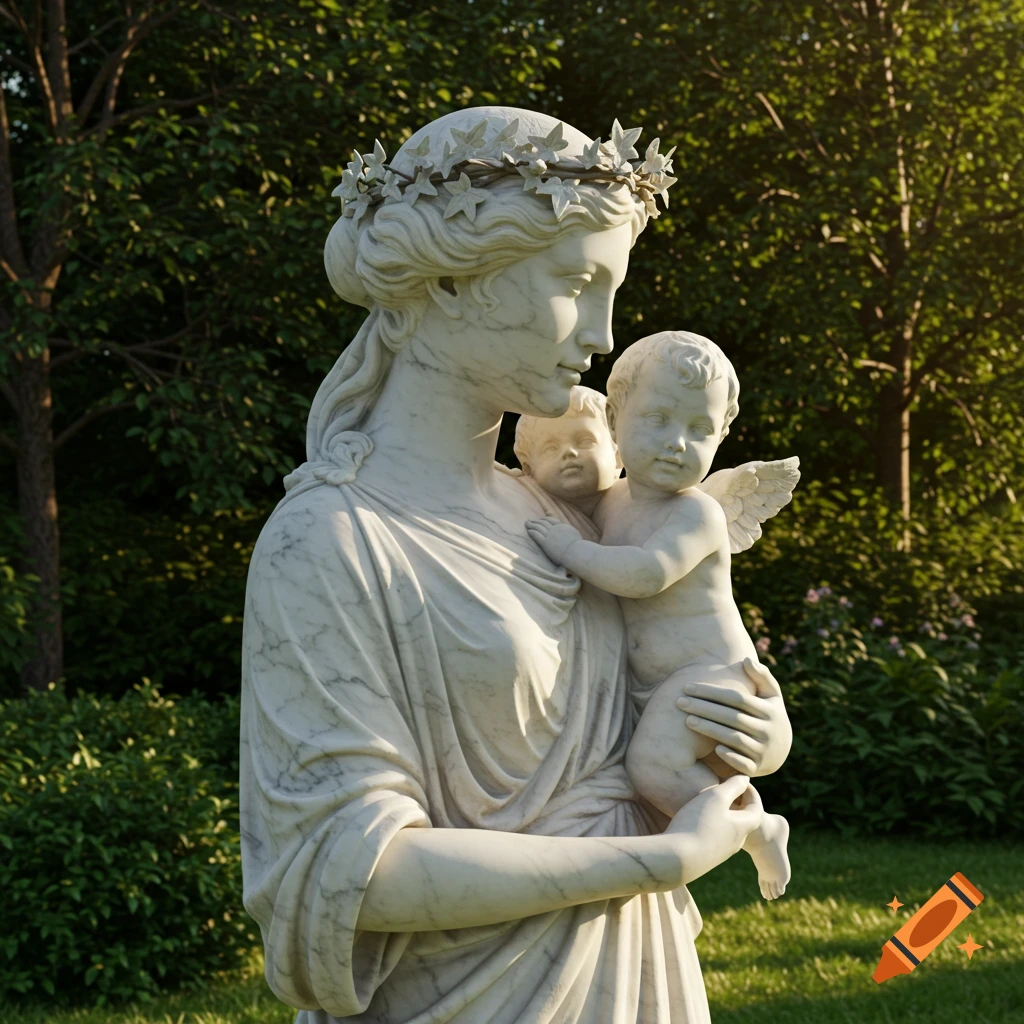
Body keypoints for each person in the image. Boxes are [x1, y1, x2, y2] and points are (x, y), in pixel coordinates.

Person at [240, 107, 793, 1024]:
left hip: (634, 975)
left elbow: (650, 710)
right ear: (453, 281)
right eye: (578, 281)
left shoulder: (560, 514)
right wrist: (659, 860)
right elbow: (351, 870)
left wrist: (738, 724)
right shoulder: (334, 540)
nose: (607, 333)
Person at [526, 332, 798, 900]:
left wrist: (569, 550)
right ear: (617, 418)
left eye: (700, 431)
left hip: (711, 675)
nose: (677, 444)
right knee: (657, 772)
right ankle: (759, 821)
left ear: (722, 438)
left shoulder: (696, 513)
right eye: (657, 419)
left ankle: (747, 830)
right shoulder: (614, 501)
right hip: (659, 684)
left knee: (652, 768)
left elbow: (646, 573)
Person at [513, 385, 622, 515]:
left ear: (618, 455)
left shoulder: (637, 504)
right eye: (551, 448)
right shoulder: (525, 515)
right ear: (528, 470)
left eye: (585, 441)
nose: (569, 451)